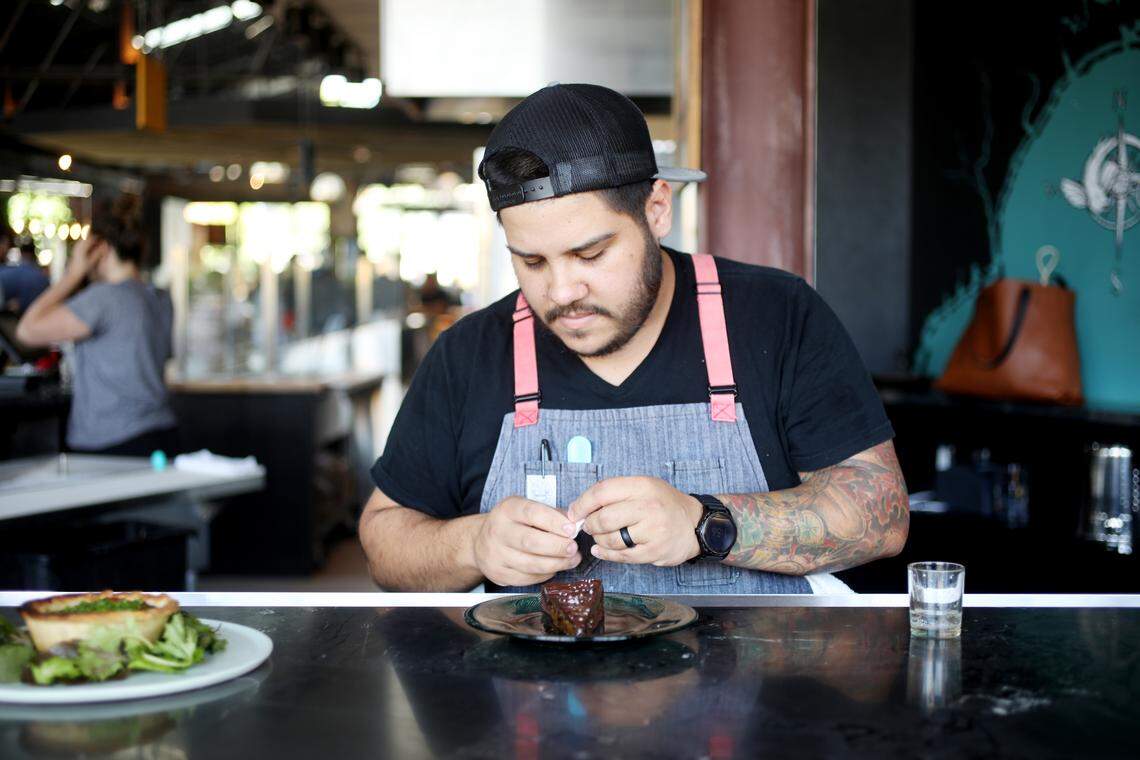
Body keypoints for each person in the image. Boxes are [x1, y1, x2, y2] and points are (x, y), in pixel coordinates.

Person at [359, 83, 909, 594]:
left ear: (657, 209)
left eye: (591, 254)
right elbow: (384, 540)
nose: (562, 291)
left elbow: (880, 512)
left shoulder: (777, 316)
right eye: (531, 261)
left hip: (757, 686)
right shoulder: (469, 354)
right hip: (535, 695)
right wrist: (471, 545)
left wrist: (706, 523)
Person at [16, 195, 178, 456]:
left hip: (112, 441)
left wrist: (73, 273)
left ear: (99, 248)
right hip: (161, 432)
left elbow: (27, 330)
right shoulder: (158, 297)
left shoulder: (104, 298)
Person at [0, 238, 49, 315]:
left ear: (21, 253)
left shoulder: (6, 273)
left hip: (12, 321)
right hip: (38, 319)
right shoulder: (43, 277)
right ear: (34, 254)